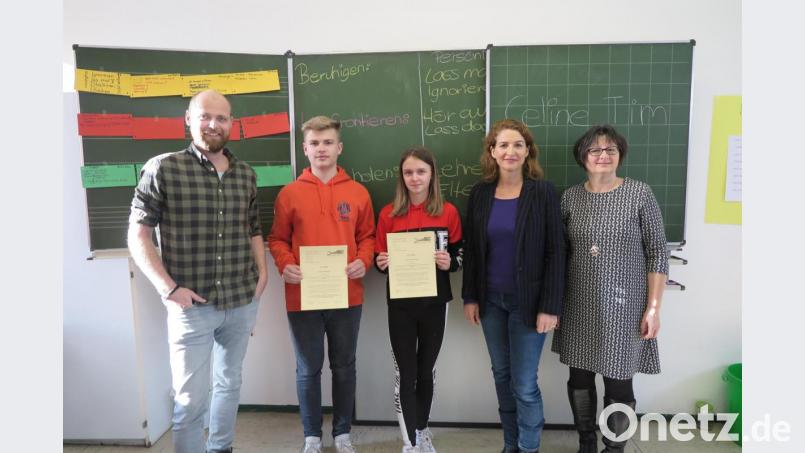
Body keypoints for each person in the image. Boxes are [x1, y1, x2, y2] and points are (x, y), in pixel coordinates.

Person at [127, 89, 267, 453]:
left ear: (231, 124)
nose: (213, 124)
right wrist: (169, 288)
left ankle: (221, 448)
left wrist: (262, 272)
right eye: (205, 116)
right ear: (188, 119)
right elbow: (138, 235)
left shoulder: (246, 175)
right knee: (189, 400)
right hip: (191, 307)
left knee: (229, 383)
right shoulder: (163, 168)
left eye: (221, 118)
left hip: (240, 299)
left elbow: (254, 228)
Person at [551, 124, 668, 453]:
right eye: (595, 150)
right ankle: (586, 442)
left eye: (610, 150)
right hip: (579, 303)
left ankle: (614, 447)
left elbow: (658, 251)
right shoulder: (570, 197)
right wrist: (555, 304)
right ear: (582, 157)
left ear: (620, 156)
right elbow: (559, 254)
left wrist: (654, 308)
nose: (603, 155)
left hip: (625, 307)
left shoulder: (639, 193)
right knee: (580, 379)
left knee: (618, 381)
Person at [268, 116, 375, 453]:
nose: (321, 149)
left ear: (339, 147)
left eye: (328, 142)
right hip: (303, 298)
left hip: (347, 296)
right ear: (305, 149)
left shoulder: (358, 193)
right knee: (308, 369)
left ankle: (342, 433)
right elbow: (277, 239)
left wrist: (364, 260)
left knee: (344, 367)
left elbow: (368, 237)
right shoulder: (289, 194)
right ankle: (312, 436)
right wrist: (286, 264)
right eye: (314, 143)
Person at [462, 119, 565, 453]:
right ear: (492, 152)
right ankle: (511, 446)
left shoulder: (544, 193)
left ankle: (529, 447)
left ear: (527, 152)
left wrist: (551, 306)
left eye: (517, 145)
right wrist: (470, 297)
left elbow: (556, 251)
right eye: (503, 145)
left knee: (523, 384)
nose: (510, 151)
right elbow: (474, 251)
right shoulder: (479, 194)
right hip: (490, 301)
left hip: (530, 302)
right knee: (502, 378)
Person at [374, 147, 464, 453]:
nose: (415, 178)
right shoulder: (388, 214)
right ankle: (409, 442)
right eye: (409, 172)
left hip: (436, 303)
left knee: (426, 371)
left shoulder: (448, 212)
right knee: (406, 373)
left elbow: (460, 254)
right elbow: (378, 257)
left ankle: (422, 431)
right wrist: (380, 262)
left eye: (421, 172)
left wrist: (448, 262)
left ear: (432, 175)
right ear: (402, 176)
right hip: (400, 305)